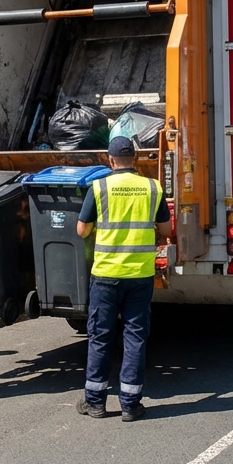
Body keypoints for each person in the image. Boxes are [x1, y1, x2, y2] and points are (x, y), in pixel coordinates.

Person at [75, 136, 172, 422]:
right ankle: (130, 404)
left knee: (100, 337)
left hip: (105, 274)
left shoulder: (100, 187)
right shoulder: (152, 188)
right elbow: (165, 229)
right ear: (136, 159)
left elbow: (82, 231)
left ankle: (95, 403)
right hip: (139, 275)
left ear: (110, 159)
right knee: (135, 337)